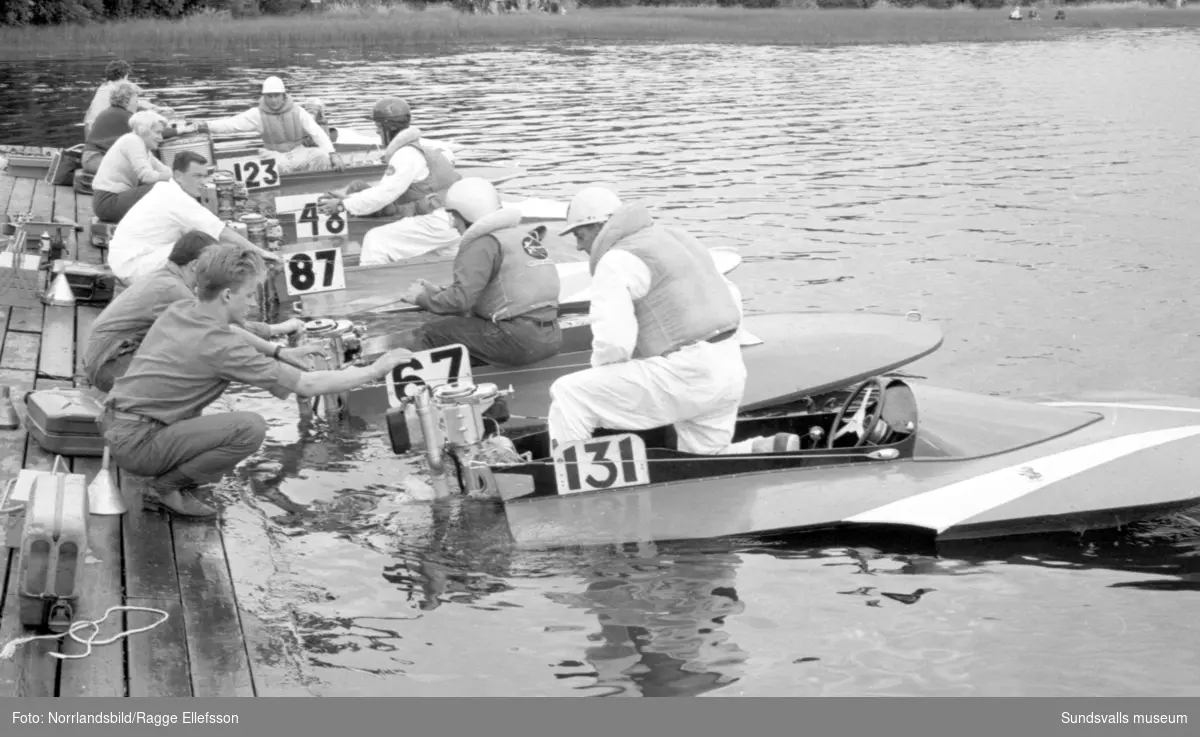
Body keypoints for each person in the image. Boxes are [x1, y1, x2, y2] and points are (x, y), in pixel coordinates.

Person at [99, 243, 417, 518]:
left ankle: (168, 474)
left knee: (213, 452)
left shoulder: (183, 309)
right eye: (249, 295)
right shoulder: (223, 348)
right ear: (226, 294)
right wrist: (376, 370)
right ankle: (163, 490)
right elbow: (306, 385)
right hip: (136, 444)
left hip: (114, 421)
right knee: (250, 428)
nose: (253, 304)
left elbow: (233, 329)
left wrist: (278, 351)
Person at [545, 186, 800, 456]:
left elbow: (614, 343)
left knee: (569, 393)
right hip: (729, 368)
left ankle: (565, 475)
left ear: (597, 227)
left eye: (579, 234)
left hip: (687, 373)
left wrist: (603, 382)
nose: (578, 246)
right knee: (702, 459)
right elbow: (733, 297)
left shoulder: (615, 260)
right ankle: (764, 448)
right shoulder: (677, 238)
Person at [83, 229, 318, 393]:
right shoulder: (174, 290)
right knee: (209, 363)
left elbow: (222, 324)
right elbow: (224, 330)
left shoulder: (164, 279)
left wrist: (273, 335)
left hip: (104, 358)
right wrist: (277, 349)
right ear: (196, 266)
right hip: (109, 367)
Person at [395, 177, 562, 367]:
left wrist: (422, 298)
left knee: (430, 333)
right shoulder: (520, 237)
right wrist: (440, 292)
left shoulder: (482, 244)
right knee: (467, 338)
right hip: (551, 337)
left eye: (453, 216)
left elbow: (460, 301)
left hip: (516, 339)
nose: (452, 224)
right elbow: (496, 294)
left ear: (468, 213)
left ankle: (417, 391)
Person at [316, 96, 462, 265]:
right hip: (456, 219)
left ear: (389, 127)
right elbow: (386, 190)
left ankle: (372, 287)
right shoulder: (420, 149)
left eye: (378, 126)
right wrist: (348, 198)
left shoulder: (405, 154)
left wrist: (343, 205)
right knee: (441, 256)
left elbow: (384, 194)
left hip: (440, 222)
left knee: (376, 240)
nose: (377, 132)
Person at [106, 150, 281, 285]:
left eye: (205, 176)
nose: (203, 182)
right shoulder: (176, 199)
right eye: (197, 176)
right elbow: (223, 233)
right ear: (178, 176)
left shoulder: (165, 189)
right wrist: (260, 253)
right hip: (134, 268)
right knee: (207, 250)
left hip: (129, 259)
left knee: (202, 244)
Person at [194, 76, 344, 175]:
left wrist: (332, 153)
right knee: (280, 167)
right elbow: (231, 125)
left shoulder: (298, 111)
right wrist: (205, 125)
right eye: (269, 96)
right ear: (264, 97)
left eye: (276, 96)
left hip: (299, 151)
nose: (273, 100)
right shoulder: (257, 114)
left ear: (284, 95)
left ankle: (314, 190)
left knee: (321, 156)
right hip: (273, 153)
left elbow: (317, 132)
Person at [91, 110, 175, 222]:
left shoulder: (145, 149)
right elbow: (147, 176)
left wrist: (172, 177)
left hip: (113, 199)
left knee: (167, 188)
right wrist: (170, 178)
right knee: (161, 188)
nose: (161, 138)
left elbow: (166, 170)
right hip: (108, 202)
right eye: (157, 132)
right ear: (144, 130)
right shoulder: (132, 141)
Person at [82, 81, 178, 176]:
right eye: (136, 98)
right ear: (128, 99)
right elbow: (151, 131)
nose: (137, 102)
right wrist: (180, 130)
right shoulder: (124, 116)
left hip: (91, 157)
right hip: (94, 159)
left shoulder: (110, 112)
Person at [83, 59, 174, 138]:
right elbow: (135, 100)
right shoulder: (122, 87)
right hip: (106, 133)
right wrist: (157, 109)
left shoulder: (103, 88)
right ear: (125, 75)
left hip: (90, 132)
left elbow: (132, 101)